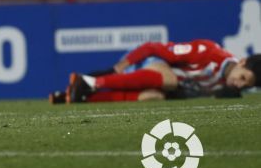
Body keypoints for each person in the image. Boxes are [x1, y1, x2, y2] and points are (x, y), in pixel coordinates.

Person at [58, 39, 261, 104]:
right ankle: (92, 82)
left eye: (246, 85)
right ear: (241, 61)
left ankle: (76, 97)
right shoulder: (207, 52)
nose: (239, 84)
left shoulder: (229, 88)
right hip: (156, 66)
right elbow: (152, 47)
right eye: (242, 78)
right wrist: (117, 68)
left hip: (170, 88)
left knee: (152, 97)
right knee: (170, 80)